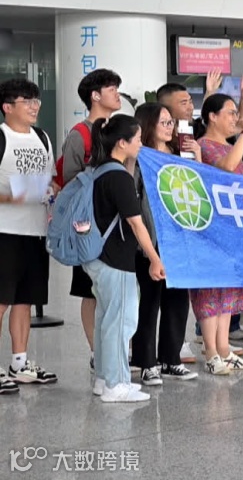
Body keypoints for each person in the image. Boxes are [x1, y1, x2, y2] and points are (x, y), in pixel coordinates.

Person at [84, 114, 165, 402]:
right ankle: (116, 384)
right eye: (138, 139)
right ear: (122, 142)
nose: (141, 144)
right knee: (120, 322)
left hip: (98, 256)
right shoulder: (118, 177)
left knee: (107, 318)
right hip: (116, 258)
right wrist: (155, 258)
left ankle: (104, 379)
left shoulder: (98, 170)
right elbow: (135, 222)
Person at [193, 93, 243, 374]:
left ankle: (224, 349)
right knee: (211, 290)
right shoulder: (203, 146)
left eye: (236, 113)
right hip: (213, 232)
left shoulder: (230, 146)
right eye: (230, 113)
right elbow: (227, 168)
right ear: (212, 116)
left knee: (228, 292)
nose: (236, 118)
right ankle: (211, 351)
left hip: (234, 233)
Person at [130, 104, 199, 385]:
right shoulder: (140, 158)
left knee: (178, 301)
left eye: (172, 122)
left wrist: (197, 156)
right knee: (150, 302)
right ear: (148, 125)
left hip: (178, 239)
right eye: (164, 122)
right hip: (151, 239)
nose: (170, 127)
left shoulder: (178, 155)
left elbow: (195, 187)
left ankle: (171, 358)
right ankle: (146, 362)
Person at [0, 79, 58, 394]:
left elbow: (50, 181)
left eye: (36, 101)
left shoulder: (42, 137)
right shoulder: (2, 137)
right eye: (28, 101)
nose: (35, 106)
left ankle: (19, 364)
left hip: (36, 232)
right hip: (4, 232)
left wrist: (50, 192)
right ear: (7, 107)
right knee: (1, 301)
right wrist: (14, 196)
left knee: (24, 299)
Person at [65, 68, 123, 374]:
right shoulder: (80, 134)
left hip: (119, 224)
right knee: (90, 290)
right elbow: (69, 182)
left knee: (116, 287)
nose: (117, 94)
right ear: (95, 96)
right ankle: (95, 351)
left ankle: (116, 348)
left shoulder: (120, 130)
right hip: (89, 225)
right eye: (112, 89)